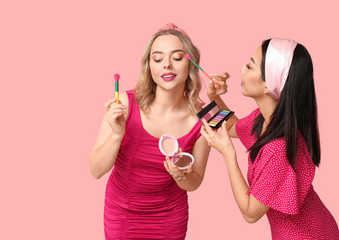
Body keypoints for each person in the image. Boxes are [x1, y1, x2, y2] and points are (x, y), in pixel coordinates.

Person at [201, 38, 339, 239]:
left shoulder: (278, 149)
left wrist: (228, 153)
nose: (241, 69)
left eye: (250, 65)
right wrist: (212, 97)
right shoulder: (266, 120)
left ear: (269, 84)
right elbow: (230, 126)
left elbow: (250, 213)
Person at [89, 23, 211, 239]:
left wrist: (180, 176)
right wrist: (117, 135)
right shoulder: (125, 103)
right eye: (157, 59)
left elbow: (196, 181)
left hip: (170, 217)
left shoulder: (205, 117)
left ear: (190, 64)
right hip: (122, 214)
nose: (166, 65)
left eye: (177, 57)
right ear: (149, 67)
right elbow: (96, 170)